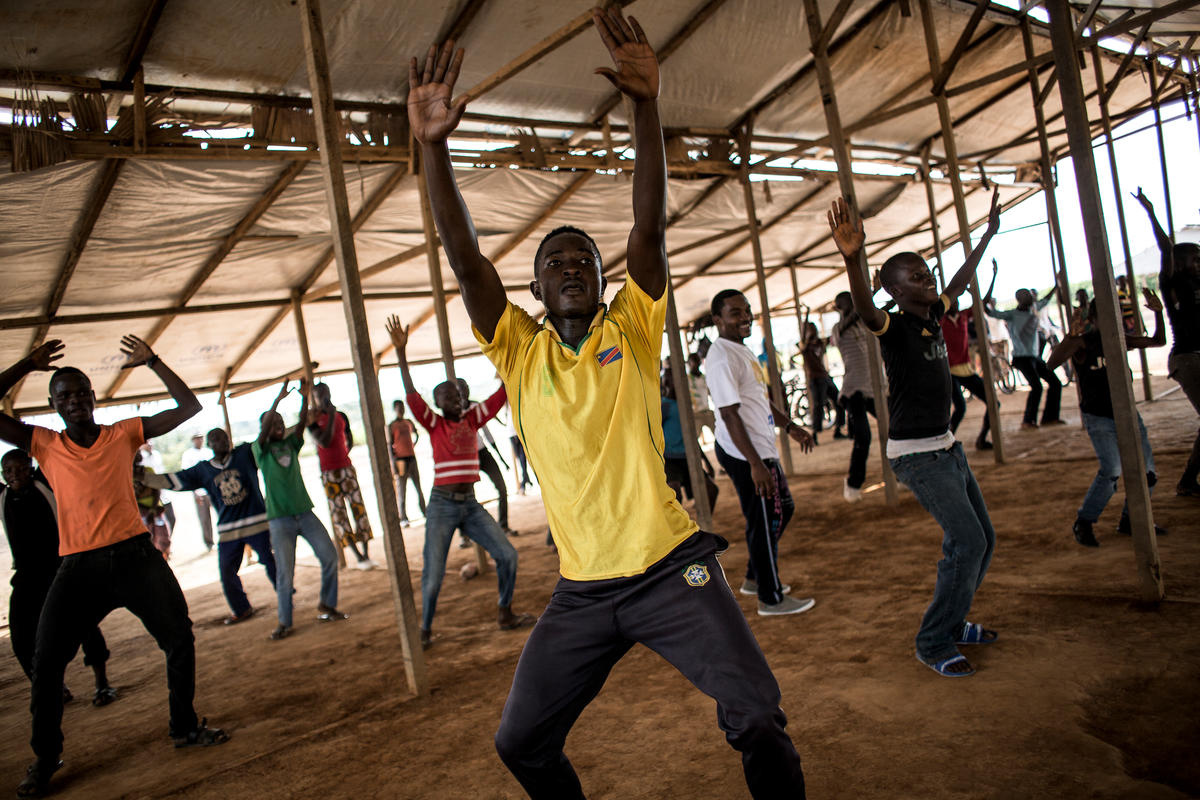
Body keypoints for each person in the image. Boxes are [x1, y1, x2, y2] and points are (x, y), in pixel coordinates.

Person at [408, 13, 808, 796]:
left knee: (757, 716)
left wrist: (646, 106)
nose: (569, 266)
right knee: (520, 742)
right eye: (554, 262)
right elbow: (464, 257)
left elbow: (648, 225)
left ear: (603, 275)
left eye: (583, 258)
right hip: (583, 592)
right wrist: (431, 146)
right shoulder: (519, 351)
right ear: (533, 290)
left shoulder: (632, 322)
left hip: (669, 571)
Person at [0, 335, 229, 797]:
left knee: (179, 638)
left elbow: (189, 408)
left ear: (93, 396)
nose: (75, 400)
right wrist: (27, 363)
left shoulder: (123, 433)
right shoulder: (43, 444)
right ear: (53, 404)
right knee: (46, 663)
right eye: (64, 395)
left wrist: (154, 362)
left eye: (82, 392)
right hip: (78, 568)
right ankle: (46, 757)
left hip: (136, 559)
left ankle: (183, 727)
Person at [829, 191, 1001, 679]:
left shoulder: (931, 315)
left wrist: (985, 236)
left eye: (927, 272)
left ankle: (955, 620)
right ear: (898, 293)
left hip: (945, 448)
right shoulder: (895, 326)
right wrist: (853, 259)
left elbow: (961, 281)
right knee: (965, 541)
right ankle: (932, 641)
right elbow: (864, 307)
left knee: (983, 539)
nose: (929, 281)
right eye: (916, 278)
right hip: (916, 456)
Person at [386, 319, 533, 647]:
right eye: (451, 397)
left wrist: (511, 359)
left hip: (469, 504)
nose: (458, 399)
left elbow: (501, 394)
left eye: (460, 394)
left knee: (507, 556)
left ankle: (504, 612)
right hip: (441, 505)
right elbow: (411, 396)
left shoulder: (473, 418)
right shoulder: (434, 423)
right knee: (434, 574)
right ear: (440, 404)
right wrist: (401, 353)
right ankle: (424, 629)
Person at [708, 289, 817, 615]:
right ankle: (770, 598)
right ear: (718, 320)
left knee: (781, 509)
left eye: (747, 311)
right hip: (745, 454)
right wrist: (755, 464)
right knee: (766, 520)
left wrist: (788, 425)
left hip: (759, 448)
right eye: (735, 313)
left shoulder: (742, 350)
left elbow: (758, 398)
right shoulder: (722, 357)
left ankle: (756, 578)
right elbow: (728, 413)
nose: (745, 318)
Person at [1047, 293, 1169, 547]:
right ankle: (1085, 521)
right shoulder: (1083, 343)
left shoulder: (1120, 340)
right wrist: (1071, 336)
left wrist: (1158, 312)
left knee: (1148, 473)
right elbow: (1052, 363)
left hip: (1127, 414)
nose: (1114, 321)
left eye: (1117, 315)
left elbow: (1158, 341)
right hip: (1099, 418)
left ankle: (1131, 519)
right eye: (1106, 316)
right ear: (1094, 319)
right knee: (1112, 469)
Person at [1, 450, 116, 708]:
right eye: (8, 471)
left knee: (85, 626)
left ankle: (102, 683)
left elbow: (48, 452)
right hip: (27, 578)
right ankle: (52, 687)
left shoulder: (46, 485)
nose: (15, 475)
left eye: (20, 469)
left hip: (62, 569)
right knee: (20, 636)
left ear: (31, 469)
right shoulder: (3, 497)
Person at [144, 428, 278, 625]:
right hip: (227, 530)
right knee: (226, 570)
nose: (220, 442)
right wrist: (144, 478)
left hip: (256, 523)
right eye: (215, 439)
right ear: (209, 445)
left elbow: (265, 437)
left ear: (229, 440)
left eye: (223, 438)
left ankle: (285, 594)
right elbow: (175, 480)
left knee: (271, 561)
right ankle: (241, 608)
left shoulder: (244, 454)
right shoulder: (203, 469)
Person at [253, 379, 346, 641]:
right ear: (265, 428)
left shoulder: (291, 444)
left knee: (329, 556)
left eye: (282, 423)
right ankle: (285, 621)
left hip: (304, 513)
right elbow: (264, 431)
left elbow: (304, 420)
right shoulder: (260, 449)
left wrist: (304, 398)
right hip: (280, 520)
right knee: (286, 572)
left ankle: (327, 605)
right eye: (274, 424)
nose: (279, 427)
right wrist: (278, 400)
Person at [1132, 188, 1200, 497]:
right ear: (1180, 261)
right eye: (1194, 258)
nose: (1198, 262)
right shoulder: (1173, 282)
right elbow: (1166, 248)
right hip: (1187, 358)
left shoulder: (1198, 282)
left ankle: (1188, 481)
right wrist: (1150, 211)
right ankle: (1187, 481)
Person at [308, 383, 375, 570]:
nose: (322, 396)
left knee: (358, 509)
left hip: (346, 468)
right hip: (328, 473)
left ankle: (366, 553)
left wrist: (344, 455)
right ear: (314, 396)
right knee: (339, 515)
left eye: (325, 392)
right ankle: (358, 556)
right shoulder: (313, 418)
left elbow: (349, 438)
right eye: (318, 394)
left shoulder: (341, 415)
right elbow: (324, 441)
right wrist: (330, 418)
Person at [985, 277, 1064, 428]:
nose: (1031, 298)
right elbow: (988, 311)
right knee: (1037, 387)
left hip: (1034, 357)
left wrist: (1056, 285)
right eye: (1027, 296)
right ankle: (1028, 421)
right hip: (1022, 358)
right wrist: (993, 278)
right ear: (1020, 299)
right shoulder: (1012, 315)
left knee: (1055, 383)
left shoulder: (1033, 309)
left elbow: (1046, 299)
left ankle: (1049, 418)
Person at [942, 262, 997, 452]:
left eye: (956, 300)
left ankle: (982, 438)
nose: (954, 303)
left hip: (966, 368)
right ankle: (947, 443)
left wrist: (993, 277)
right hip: (950, 371)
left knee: (993, 402)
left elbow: (983, 302)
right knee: (960, 408)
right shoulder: (940, 320)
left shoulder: (964, 316)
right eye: (951, 301)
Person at [830, 290, 876, 501]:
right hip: (853, 391)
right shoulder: (838, 329)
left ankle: (902, 474)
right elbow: (859, 312)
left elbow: (879, 312)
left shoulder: (865, 323)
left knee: (897, 426)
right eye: (846, 302)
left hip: (874, 389)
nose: (852, 304)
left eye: (853, 300)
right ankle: (853, 482)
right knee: (863, 437)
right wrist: (870, 293)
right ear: (839, 307)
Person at [660, 364, 718, 516]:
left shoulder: (685, 405)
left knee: (712, 490)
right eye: (667, 380)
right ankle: (679, 534)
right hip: (670, 460)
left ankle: (702, 523)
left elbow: (691, 437)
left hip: (688, 457)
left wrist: (706, 461)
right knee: (675, 497)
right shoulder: (664, 406)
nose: (669, 383)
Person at [459, 377, 514, 535]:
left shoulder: (475, 406)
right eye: (461, 388)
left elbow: (487, 434)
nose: (465, 391)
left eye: (466, 387)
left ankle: (503, 525)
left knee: (502, 488)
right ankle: (466, 535)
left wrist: (501, 459)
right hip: (468, 458)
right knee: (467, 497)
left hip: (483, 452)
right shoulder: (454, 413)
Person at [799, 319, 845, 442]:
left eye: (814, 328)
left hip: (825, 376)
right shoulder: (805, 345)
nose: (814, 331)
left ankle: (838, 429)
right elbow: (802, 345)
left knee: (839, 400)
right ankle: (815, 433)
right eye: (811, 329)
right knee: (818, 406)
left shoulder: (820, 343)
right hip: (815, 379)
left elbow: (829, 340)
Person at [389, 399, 426, 527]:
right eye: (398, 408)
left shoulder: (408, 422)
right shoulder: (392, 425)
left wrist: (413, 444)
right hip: (400, 460)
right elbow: (389, 445)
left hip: (411, 458)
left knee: (418, 487)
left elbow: (416, 434)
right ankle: (403, 517)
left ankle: (425, 512)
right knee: (402, 489)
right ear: (394, 409)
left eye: (402, 407)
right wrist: (393, 460)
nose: (401, 410)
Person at [180, 433, 216, 552]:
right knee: (204, 518)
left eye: (200, 438)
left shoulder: (208, 452)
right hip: (199, 492)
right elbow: (187, 476)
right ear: (193, 440)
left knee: (220, 512)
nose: (199, 440)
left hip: (212, 490)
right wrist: (194, 493)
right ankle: (209, 543)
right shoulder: (188, 455)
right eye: (196, 438)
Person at [506, 407, 532, 496]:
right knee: (520, 460)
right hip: (511, 434)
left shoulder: (516, 399)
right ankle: (526, 479)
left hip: (520, 432)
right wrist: (503, 423)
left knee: (523, 459)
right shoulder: (505, 402)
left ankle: (523, 484)